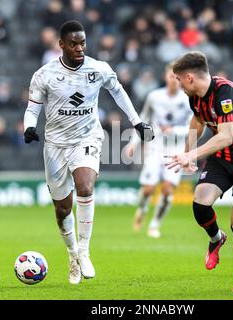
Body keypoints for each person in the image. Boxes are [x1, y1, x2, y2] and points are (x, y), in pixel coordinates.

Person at [23, 20, 154, 285]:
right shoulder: (44, 75)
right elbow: (33, 108)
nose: (79, 48)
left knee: (85, 187)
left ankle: (84, 249)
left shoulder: (99, 68)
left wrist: (137, 122)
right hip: (55, 145)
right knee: (62, 209)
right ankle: (72, 254)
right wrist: (29, 127)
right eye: (73, 43)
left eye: (82, 43)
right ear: (61, 45)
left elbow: (119, 93)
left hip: (87, 137)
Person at [165, 51, 233, 292]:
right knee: (200, 204)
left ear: (190, 77)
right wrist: (187, 151)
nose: (177, 84)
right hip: (223, 160)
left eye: (179, 79)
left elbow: (225, 136)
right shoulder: (195, 97)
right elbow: (198, 121)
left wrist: (192, 155)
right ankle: (216, 238)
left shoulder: (227, 93)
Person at [125, 62, 191, 238]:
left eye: (178, 78)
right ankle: (142, 208)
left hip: (176, 150)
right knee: (148, 189)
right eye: (171, 76)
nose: (174, 80)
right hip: (155, 148)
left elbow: (194, 127)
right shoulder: (154, 97)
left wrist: (174, 131)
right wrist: (133, 143)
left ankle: (154, 225)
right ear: (165, 77)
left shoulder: (187, 99)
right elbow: (142, 121)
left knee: (168, 190)